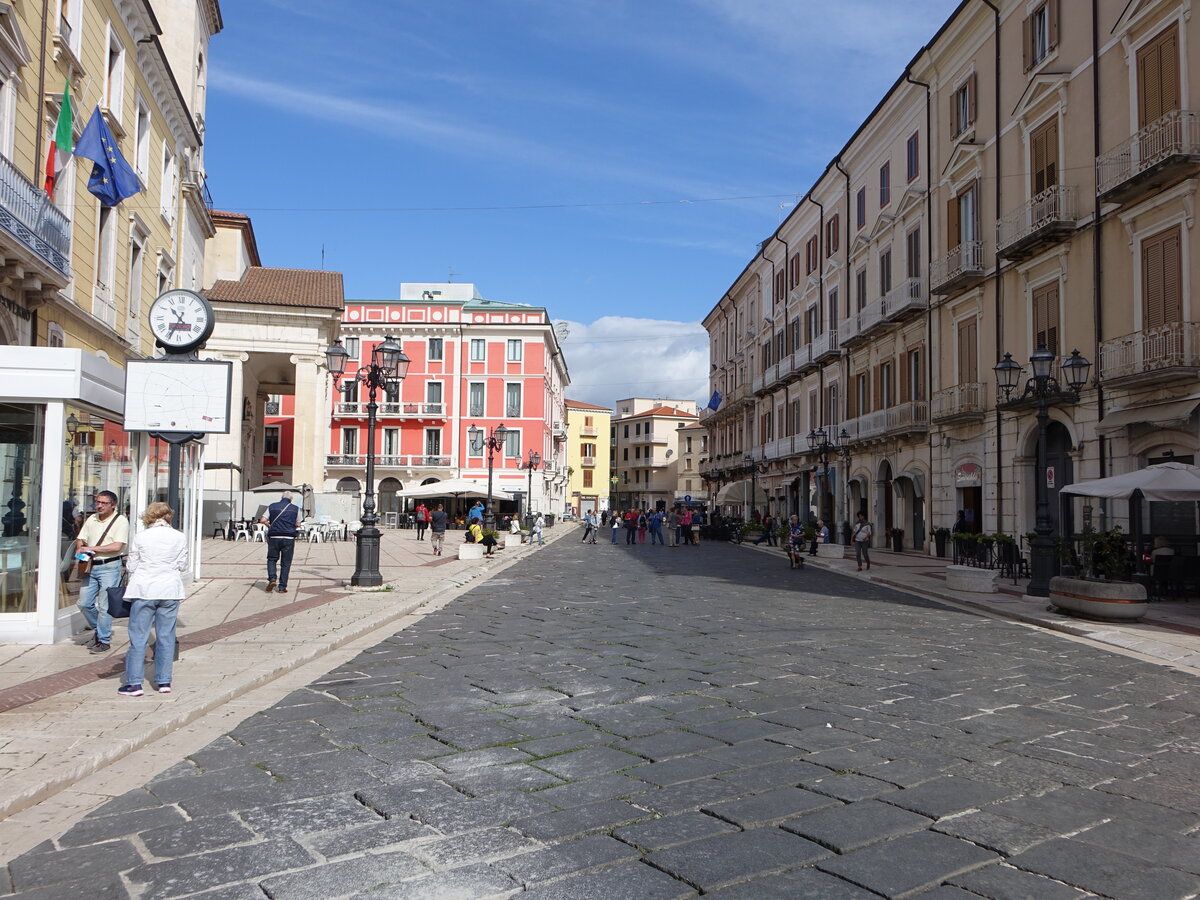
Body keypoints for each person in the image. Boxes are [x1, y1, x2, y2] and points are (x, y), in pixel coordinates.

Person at [117, 502, 188, 697]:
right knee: (166, 636)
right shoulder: (179, 537)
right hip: (170, 590)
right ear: (168, 516)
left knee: (138, 637)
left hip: (144, 589)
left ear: (149, 517)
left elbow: (131, 566)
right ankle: (164, 681)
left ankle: (134, 683)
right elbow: (182, 564)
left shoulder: (141, 537)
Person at [75, 490, 129, 654]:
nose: (99, 506)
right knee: (83, 603)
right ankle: (99, 631)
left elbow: (117, 546)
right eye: (97, 502)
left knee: (105, 606)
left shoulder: (120, 521)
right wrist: (80, 550)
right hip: (91, 566)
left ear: (113, 505)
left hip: (110, 566)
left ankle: (104, 640)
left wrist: (91, 548)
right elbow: (81, 538)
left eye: (103, 503)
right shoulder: (92, 519)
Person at [260, 491, 299, 593]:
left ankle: (272, 578)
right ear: (291, 499)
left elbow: (263, 520)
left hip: (274, 537)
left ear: (281, 497)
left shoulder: (272, 506)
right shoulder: (295, 508)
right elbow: (298, 523)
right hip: (289, 538)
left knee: (272, 559)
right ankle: (282, 587)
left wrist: (269, 525)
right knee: (286, 563)